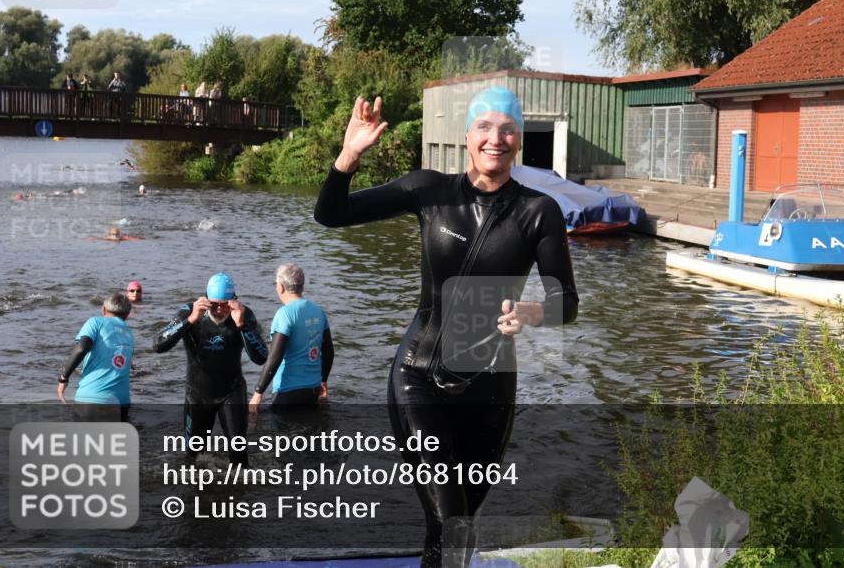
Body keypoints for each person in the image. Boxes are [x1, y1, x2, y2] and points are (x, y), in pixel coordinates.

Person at [313, 88, 579, 568]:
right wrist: (349, 155)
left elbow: (568, 304)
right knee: (450, 513)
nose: (495, 138)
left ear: (518, 140)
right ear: (466, 137)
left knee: (454, 527)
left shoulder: (540, 212)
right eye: (484, 127)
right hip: (419, 373)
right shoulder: (429, 190)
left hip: (492, 386)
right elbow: (330, 215)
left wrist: (533, 313)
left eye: (507, 129)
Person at [152, 272, 268, 464]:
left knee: (239, 457)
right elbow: (157, 345)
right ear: (206, 299)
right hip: (197, 394)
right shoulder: (190, 311)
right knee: (192, 458)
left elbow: (261, 357)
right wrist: (190, 320)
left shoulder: (243, 314)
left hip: (231, 392)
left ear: (233, 300)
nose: (220, 310)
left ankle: (239, 492)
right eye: (214, 304)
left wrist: (242, 326)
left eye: (225, 304)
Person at [249, 264, 333, 413]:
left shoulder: (285, 314)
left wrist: (258, 392)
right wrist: (323, 381)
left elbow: (275, 357)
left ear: (280, 287)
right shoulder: (318, 311)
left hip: (288, 391)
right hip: (313, 390)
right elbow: (329, 351)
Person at [57, 292, 135, 420]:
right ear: (127, 314)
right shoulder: (129, 334)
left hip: (91, 399)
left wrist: (64, 378)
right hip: (121, 403)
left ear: (103, 309)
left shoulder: (95, 322)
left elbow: (82, 347)